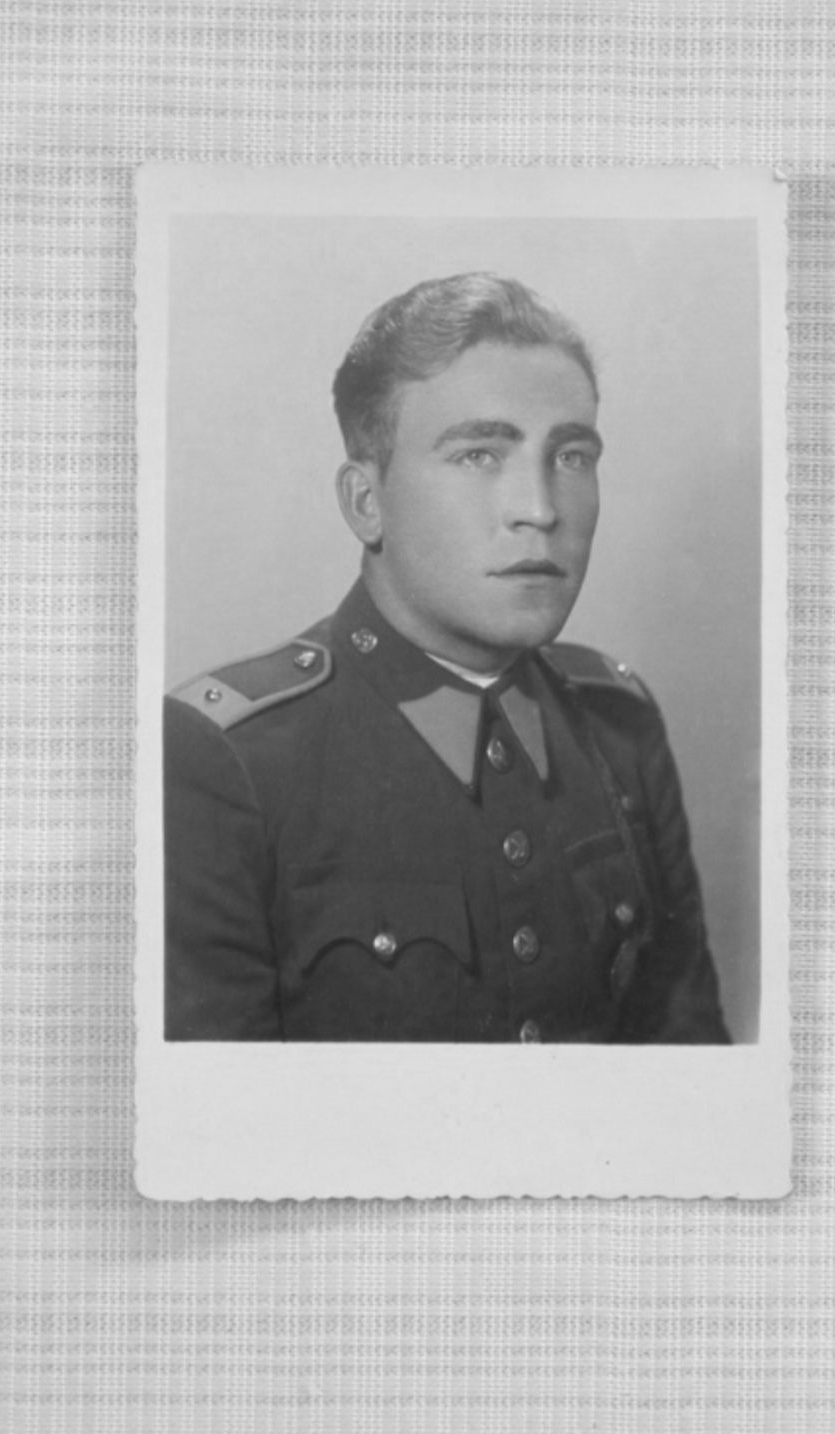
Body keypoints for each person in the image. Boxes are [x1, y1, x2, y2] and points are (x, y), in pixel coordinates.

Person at [163, 272, 730, 1044]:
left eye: (570, 455)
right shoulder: (225, 761)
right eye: (479, 455)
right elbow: (211, 1111)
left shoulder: (619, 727)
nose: (539, 509)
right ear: (367, 503)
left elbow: (690, 1074)